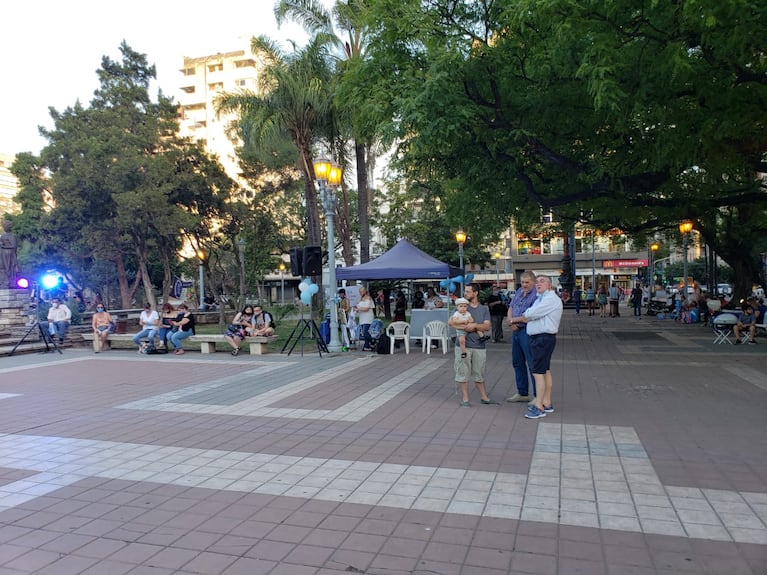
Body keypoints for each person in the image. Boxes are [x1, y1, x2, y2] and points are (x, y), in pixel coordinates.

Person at [508, 274, 563, 419]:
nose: (539, 284)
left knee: (538, 372)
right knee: (544, 371)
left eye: (542, 282)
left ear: (549, 285)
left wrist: (515, 319)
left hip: (542, 338)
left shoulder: (550, 299)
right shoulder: (542, 298)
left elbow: (530, 313)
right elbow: (525, 312)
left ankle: (539, 406)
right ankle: (547, 402)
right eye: (537, 282)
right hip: (541, 338)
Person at [449, 283, 497, 407]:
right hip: (463, 346)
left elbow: (487, 326)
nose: (465, 294)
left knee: (479, 372)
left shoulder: (484, 309)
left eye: (468, 291)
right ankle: (465, 399)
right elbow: (451, 322)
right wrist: (464, 326)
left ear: (475, 293)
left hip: (479, 346)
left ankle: (484, 397)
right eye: (465, 291)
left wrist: (474, 326)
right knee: (463, 372)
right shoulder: (461, 306)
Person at [506, 272, 538, 404]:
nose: (524, 285)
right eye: (522, 282)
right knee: (517, 362)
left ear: (533, 282)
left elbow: (530, 316)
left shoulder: (536, 295)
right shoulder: (519, 291)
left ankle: (538, 395)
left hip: (527, 331)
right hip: (516, 331)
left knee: (532, 364)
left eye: (527, 282)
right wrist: (510, 321)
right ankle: (522, 392)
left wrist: (513, 320)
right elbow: (511, 307)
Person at [354, 286, 375, 351]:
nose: (361, 293)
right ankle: (366, 346)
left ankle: (372, 341)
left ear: (365, 291)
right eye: (360, 292)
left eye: (362, 292)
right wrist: (356, 309)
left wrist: (359, 309)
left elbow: (367, 308)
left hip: (368, 317)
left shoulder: (368, 298)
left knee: (365, 331)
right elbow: (357, 306)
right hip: (362, 317)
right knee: (364, 332)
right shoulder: (359, 299)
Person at [0, 219, 19, 288]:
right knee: (2, 268)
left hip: (9, 255)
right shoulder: (3, 235)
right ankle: (3, 283)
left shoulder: (12, 236)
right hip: (2, 254)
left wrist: (3, 246)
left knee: (9, 268)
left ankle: (9, 283)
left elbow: (14, 246)